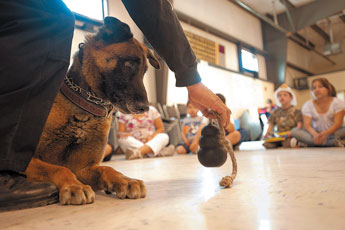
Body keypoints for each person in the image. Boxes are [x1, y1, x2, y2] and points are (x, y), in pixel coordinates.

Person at [0, 0, 230, 210]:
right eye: (128, 65)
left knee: (54, 17)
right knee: (52, 17)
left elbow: (82, 171)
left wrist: (107, 175)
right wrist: (62, 176)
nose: (142, 99)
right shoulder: (54, 100)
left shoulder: (104, 108)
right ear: (101, 41)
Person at [291, 78, 345, 147]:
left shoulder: (338, 103)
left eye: (320, 87)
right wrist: (315, 134)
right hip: (315, 133)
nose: (317, 90)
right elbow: (307, 125)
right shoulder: (307, 105)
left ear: (328, 89)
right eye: (314, 88)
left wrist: (326, 133)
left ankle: (313, 143)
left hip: (333, 132)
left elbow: (338, 123)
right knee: (294, 131)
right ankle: (331, 142)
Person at [263, 84, 303, 148]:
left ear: (291, 97)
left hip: (291, 135)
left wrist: (289, 134)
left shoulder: (296, 111)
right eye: (279, 95)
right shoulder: (275, 112)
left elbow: (299, 127)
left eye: (285, 95)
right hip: (279, 136)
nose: (282, 97)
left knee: (289, 143)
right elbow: (270, 126)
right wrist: (267, 135)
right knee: (267, 144)